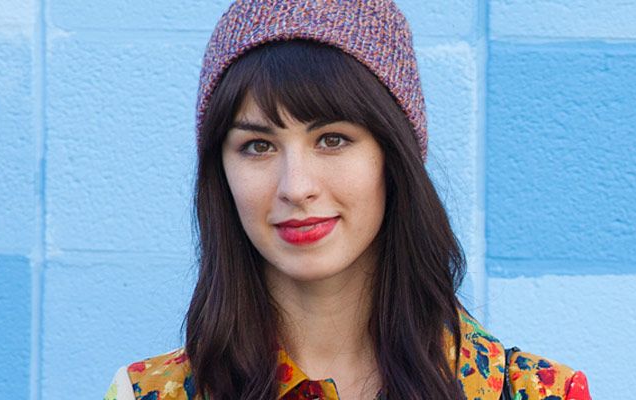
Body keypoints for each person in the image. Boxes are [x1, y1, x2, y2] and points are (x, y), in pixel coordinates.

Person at [104, 1, 590, 399]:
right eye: (258, 146)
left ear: (392, 156)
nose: (296, 186)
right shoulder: (147, 394)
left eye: (332, 139)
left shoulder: (537, 392)